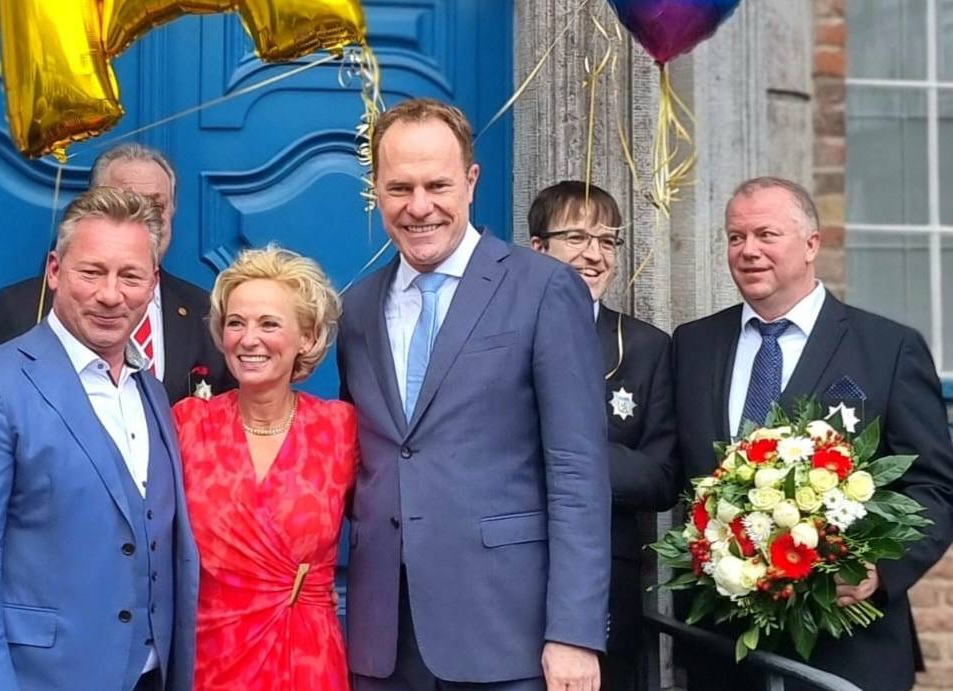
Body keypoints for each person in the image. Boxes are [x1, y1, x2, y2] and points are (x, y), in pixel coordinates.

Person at [336, 98, 610, 691]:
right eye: (399, 187)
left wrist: (574, 632)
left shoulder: (544, 289)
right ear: (376, 191)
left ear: (471, 181)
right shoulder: (356, 307)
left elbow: (577, 471)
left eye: (437, 184)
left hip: (507, 635)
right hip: (383, 639)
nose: (419, 207)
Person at [671, 177, 953, 691]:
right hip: (723, 651)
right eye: (736, 238)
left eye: (766, 234)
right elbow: (672, 472)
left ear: (811, 244)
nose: (748, 251)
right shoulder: (692, 346)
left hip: (847, 649)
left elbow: (934, 487)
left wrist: (877, 569)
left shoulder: (888, 349)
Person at [0, 186, 199, 691]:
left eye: (130, 276)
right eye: (91, 271)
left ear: (152, 283)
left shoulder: (153, 393)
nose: (111, 294)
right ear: (54, 270)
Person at [172, 247, 355, 691]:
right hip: (209, 657)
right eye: (235, 323)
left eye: (269, 324)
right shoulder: (187, 425)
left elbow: (387, 530)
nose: (248, 339)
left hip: (306, 658)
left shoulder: (340, 429)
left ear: (307, 339)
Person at [528, 181, 680, 691]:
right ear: (537, 247)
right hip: (505, 572)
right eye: (575, 237)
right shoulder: (499, 334)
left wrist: (558, 456)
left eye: (607, 240)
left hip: (606, 584)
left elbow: (660, 477)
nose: (594, 255)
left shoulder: (646, 347)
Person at [0, 142, 232, 402]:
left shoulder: (205, 310)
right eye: (127, 203)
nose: (142, 219)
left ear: (172, 211)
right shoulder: (22, 306)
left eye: (156, 207)